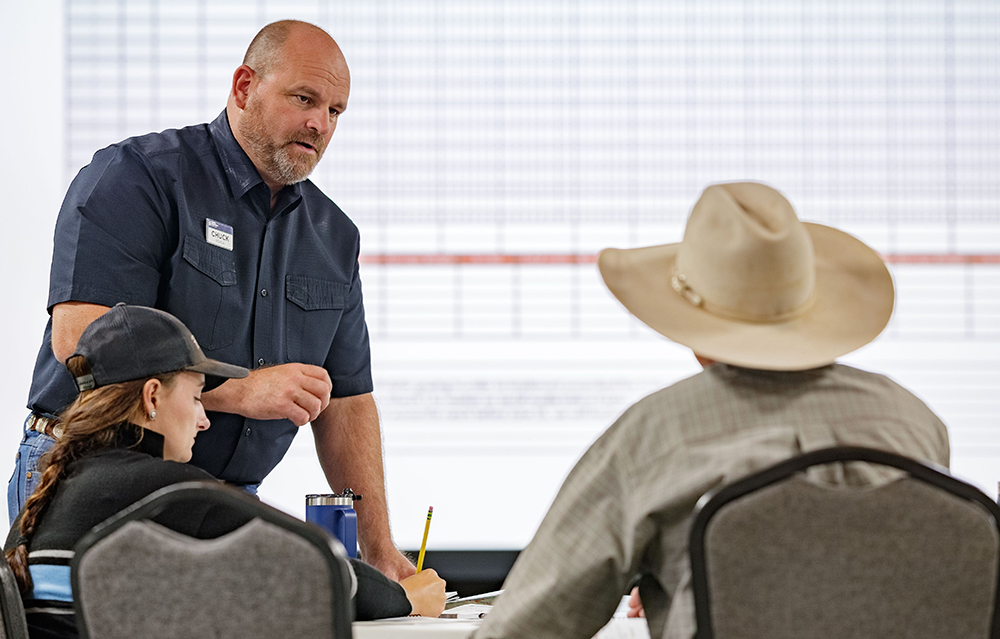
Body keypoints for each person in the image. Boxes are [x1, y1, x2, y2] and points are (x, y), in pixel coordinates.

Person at [10, 19, 414, 581]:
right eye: (304, 99)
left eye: (336, 111)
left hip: (225, 502)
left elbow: (347, 402)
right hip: (94, 481)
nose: (320, 123)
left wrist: (379, 552)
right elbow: (82, 339)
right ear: (244, 87)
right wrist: (241, 389)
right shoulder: (138, 178)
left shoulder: (334, 238)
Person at [473, 182, 949, 639]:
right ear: (814, 310)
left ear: (693, 331)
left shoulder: (654, 435)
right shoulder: (917, 424)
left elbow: (525, 628)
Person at [4, 305, 447, 639]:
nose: (203, 419)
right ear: (153, 397)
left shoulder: (53, 491)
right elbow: (318, 567)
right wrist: (405, 598)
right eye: (197, 397)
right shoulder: (170, 496)